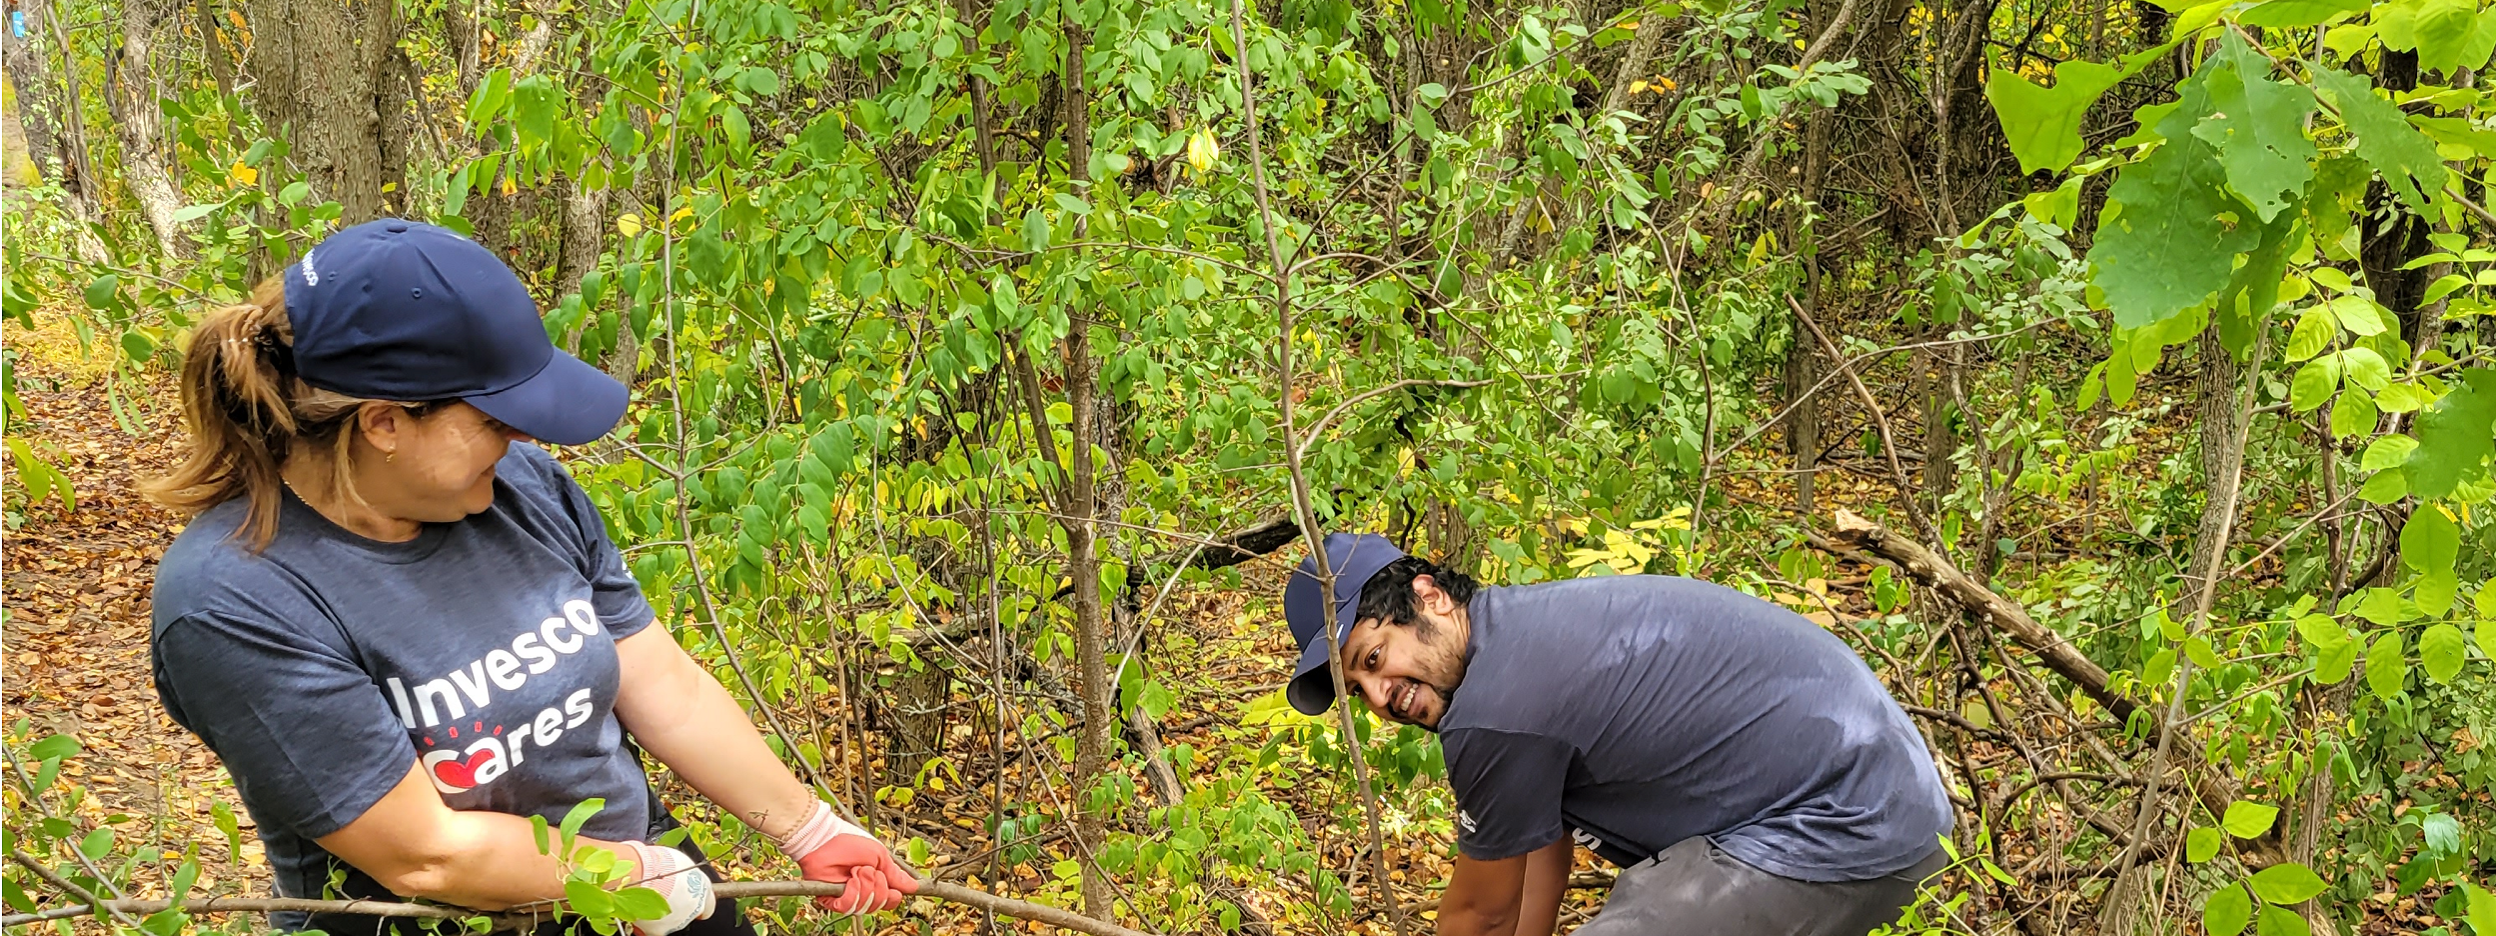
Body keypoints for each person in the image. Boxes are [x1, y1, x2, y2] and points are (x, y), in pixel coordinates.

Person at [145, 219, 914, 935]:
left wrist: (808, 827)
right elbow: (423, 854)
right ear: (384, 422)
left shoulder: (523, 490)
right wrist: (628, 875)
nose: (523, 437)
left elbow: (662, 685)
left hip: (646, 887)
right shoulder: (235, 600)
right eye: (494, 419)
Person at [1279, 533, 1954, 936]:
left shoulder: (1494, 707)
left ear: (1428, 597)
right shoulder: (1512, 637)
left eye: (1373, 659)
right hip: (1885, 809)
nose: (1380, 697)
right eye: (1357, 690)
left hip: (1851, 829)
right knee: (1645, 903)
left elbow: (1477, 919)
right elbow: (1539, 852)